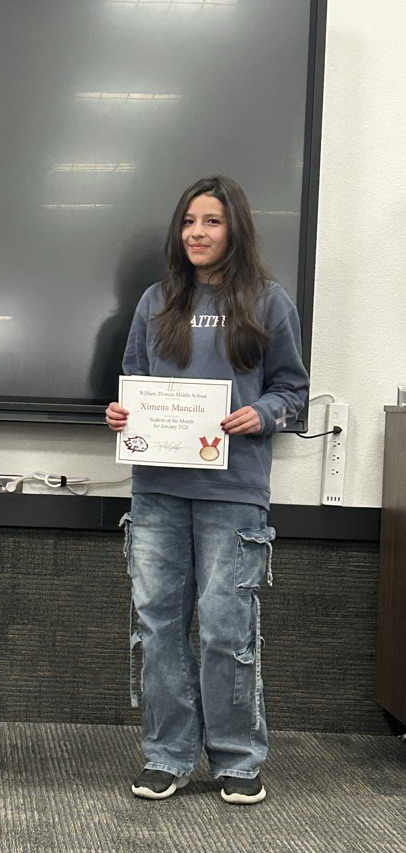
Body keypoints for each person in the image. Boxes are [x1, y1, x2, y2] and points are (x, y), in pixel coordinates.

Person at [106, 176, 308, 805]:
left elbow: (294, 394)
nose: (196, 232)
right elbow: (134, 382)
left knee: (226, 629)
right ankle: (167, 755)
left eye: (211, 221)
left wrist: (264, 414)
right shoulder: (155, 301)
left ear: (235, 229)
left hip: (233, 493)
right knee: (159, 626)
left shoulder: (269, 302)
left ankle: (238, 758)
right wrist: (123, 414)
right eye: (189, 220)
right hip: (158, 491)